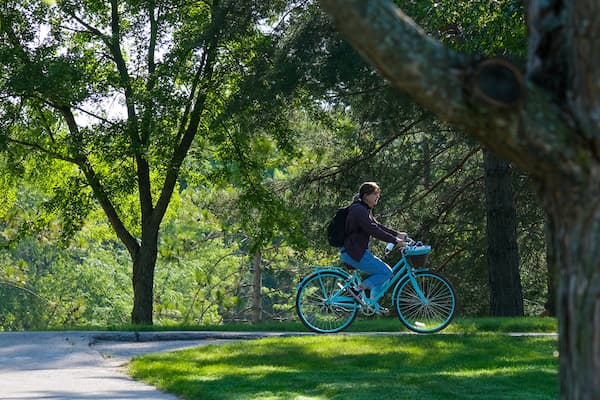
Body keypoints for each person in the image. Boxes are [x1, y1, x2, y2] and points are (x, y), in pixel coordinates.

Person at [340, 181, 407, 312]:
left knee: (385, 273)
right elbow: (373, 230)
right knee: (386, 272)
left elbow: (378, 226)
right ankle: (356, 290)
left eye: (378, 194)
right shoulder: (359, 210)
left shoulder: (363, 209)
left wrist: (397, 234)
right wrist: (394, 240)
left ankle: (372, 303)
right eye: (375, 194)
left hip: (355, 251)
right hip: (354, 252)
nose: (378, 196)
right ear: (366, 196)